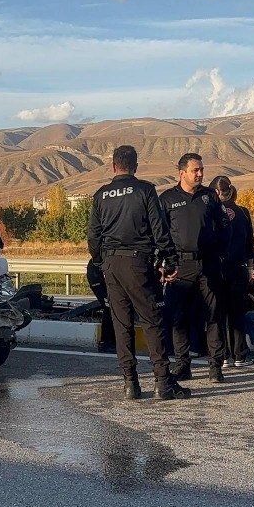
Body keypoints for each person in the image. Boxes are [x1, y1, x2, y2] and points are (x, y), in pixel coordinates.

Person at [87, 145, 191, 401]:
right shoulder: (144, 190)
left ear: (113, 166)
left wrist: (101, 261)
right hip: (138, 263)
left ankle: (130, 384)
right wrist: (169, 259)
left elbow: (93, 236)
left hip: (112, 264)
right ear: (136, 166)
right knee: (152, 321)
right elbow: (159, 228)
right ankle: (162, 382)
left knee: (122, 324)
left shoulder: (101, 195)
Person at [159, 153, 229, 384]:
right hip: (181, 265)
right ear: (182, 173)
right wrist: (164, 264)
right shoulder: (167, 199)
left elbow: (223, 227)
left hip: (208, 263)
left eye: (201, 169)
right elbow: (160, 234)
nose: (200, 174)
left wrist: (220, 254)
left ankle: (215, 367)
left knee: (214, 315)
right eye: (195, 170)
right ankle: (182, 365)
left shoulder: (210, 197)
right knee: (179, 317)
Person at [209, 175, 254, 367]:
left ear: (217, 192)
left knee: (219, 312)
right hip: (239, 268)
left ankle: (223, 355)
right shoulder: (243, 212)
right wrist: (250, 267)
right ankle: (240, 354)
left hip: (217, 267)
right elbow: (250, 242)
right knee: (237, 312)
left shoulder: (211, 210)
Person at [86, 259, 117, 353]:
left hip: (101, 276)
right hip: (97, 277)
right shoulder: (105, 250)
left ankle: (110, 342)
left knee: (112, 308)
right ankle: (106, 342)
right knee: (110, 308)